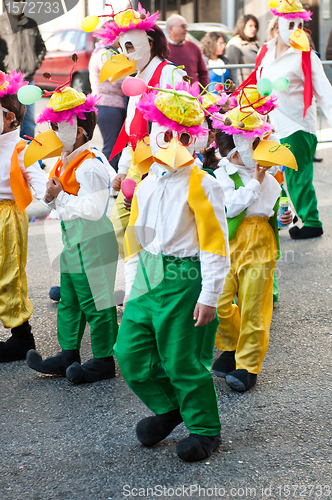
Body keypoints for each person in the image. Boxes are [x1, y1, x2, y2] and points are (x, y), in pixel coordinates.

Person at [114, 80, 230, 462]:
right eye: (165, 131)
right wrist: (131, 288)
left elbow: (215, 244)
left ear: (195, 138)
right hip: (148, 275)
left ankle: (205, 429)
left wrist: (209, 294)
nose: (173, 140)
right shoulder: (146, 184)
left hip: (184, 277)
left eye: (182, 134)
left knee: (182, 359)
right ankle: (169, 408)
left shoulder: (203, 183)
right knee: (129, 352)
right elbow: (134, 237)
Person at [26, 82, 119, 384]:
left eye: (58, 125)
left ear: (78, 129)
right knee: (70, 298)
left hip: (92, 235)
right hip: (72, 235)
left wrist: (60, 197)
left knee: (96, 300)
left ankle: (104, 359)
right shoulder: (65, 158)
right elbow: (52, 197)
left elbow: (94, 209)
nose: (52, 131)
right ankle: (69, 352)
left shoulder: (89, 164)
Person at [207, 91, 294, 391]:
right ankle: (231, 345)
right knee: (219, 300)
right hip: (227, 242)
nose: (261, 149)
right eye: (254, 144)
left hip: (259, 242)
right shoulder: (220, 177)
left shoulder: (271, 178)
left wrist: (287, 218)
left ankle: (248, 364)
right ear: (233, 153)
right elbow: (229, 207)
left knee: (255, 305)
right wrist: (255, 182)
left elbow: (283, 207)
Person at [94, 5, 186, 259]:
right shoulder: (137, 78)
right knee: (119, 227)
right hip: (138, 165)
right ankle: (137, 282)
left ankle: (145, 287)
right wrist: (123, 169)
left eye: (131, 47)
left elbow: (182, 126)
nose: (126, 54)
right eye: (122, 48)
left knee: (148, 230)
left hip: (163, 167)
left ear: (150, 42)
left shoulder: (170, 74)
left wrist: (155, 174)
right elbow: (131, 129)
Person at [240, 0, 332, 239]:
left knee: (297, 176)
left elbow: (326, 93)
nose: (296, 28)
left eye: (300, 24)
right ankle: (280, 217)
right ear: (277, 25)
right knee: (271, 174)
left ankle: (312, 222)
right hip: (270, 125)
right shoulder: (266, 51)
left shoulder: (306, 56)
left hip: (297, 125)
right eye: (290, 23)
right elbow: (256, 82)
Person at [0, 70, 47, 362]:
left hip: (7, 216)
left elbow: (40, 183)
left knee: (9, 274)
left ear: (9, 117)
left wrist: (56, 197)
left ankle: (21, 337)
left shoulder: (21, 148)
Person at [0, 1, 46, 138]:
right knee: (8, 121)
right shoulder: (1, 23)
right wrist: (7, 64)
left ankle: (28, 156)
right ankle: (9, 156)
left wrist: (34, 64)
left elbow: (41, 47)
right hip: (7, 83)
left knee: (29, 121)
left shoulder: (31, 23)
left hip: (28, 81)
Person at [89, 24, 126, 171]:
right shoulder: (106, 54)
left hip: (111, 106)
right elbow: (115, 78)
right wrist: (137, 80)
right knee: (112, 148)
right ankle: (107, 182)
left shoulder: (107, 52)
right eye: (120, 35)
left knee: (115, 147)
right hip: (108, 106)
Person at [166, 14, 209, 88]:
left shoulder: (193, 47)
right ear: (171, 28)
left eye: (186, 26)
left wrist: (202, 92)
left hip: (193, 96)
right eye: (183, 26)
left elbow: (203, 72)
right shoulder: (162, 48)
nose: (186, 30)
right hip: (170, 95)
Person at [226, 14, 260, 86]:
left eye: (255, 26)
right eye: (250, 26)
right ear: (242, 26)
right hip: (243, 85)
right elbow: (232, 70)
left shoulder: (256, 44)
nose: (254, 29)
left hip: (256, 83)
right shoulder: (235, 44)